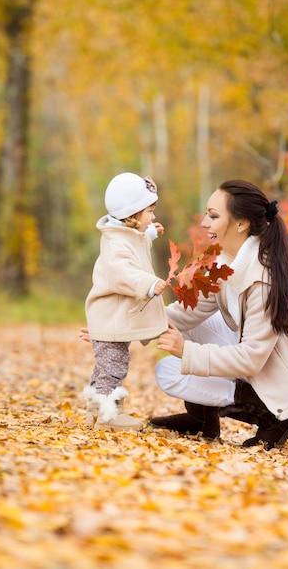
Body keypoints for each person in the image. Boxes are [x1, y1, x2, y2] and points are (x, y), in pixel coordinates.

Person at [149, 179, 288, 450]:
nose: (205, 223)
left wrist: (186, 351)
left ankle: (273, 415)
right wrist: (122, 327)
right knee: (187, 333)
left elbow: (251, 358)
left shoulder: (265, 276)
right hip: (267, 354)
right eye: (207, 213)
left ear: (241, 224)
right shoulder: (227, 261)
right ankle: (202, 419)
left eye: (214, 216)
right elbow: (187, 312)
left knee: (170, 372)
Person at [83, 172, 168, 431]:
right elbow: (124, 273)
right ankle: (109, 416)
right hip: (111, 319)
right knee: (113, 367)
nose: (152, 216)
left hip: (114, 318)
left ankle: (96, 410)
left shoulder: (124, 234)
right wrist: (148, 284)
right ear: (132, 215)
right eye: (149, 212)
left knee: (106, 367)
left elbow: (136, 243)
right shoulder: (115, 245)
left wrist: (149, 233)